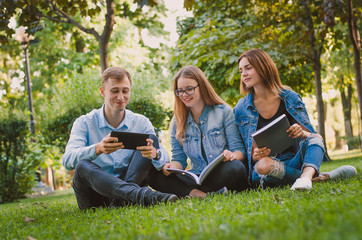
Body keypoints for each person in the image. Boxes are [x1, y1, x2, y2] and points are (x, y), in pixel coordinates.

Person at [233, 49, 357, 190]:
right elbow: (249, 155)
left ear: (264, 67)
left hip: (294, 160)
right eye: (241, 70)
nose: (244, 74)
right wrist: (256, 155)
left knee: (316, 137)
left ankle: (305, 178)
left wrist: (301, 132)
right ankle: (314, 177)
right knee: (263, 165)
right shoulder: (241, 108)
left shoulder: (290, 97)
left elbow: (310, 137)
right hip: (265, 167)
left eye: (248, 68)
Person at [62, 67, 177, 210]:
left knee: (150, 140)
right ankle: (143, 196)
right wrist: (98, 149)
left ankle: (121, 201)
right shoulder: (84, 122)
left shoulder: (141, 122)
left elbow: (164, 157)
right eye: (115, 91)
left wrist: (155, 154)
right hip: (95, 197)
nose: (121, 97)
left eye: (125, 91)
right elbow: (67, 160)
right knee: (82, 166)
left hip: (129, 187)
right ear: (103, 92)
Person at [159, 65, 249, 198]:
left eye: (189, 89)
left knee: (236, 167)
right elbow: (179, 160)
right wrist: (172, 166)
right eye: (180, 91)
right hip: (195, 177)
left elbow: (239, 151)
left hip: (221, 174)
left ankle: (195, 193)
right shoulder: (177, 122)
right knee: (156, 174)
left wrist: (231, 155)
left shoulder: (223, 112)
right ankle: (208, 193)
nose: (184, 95)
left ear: (201, 86)